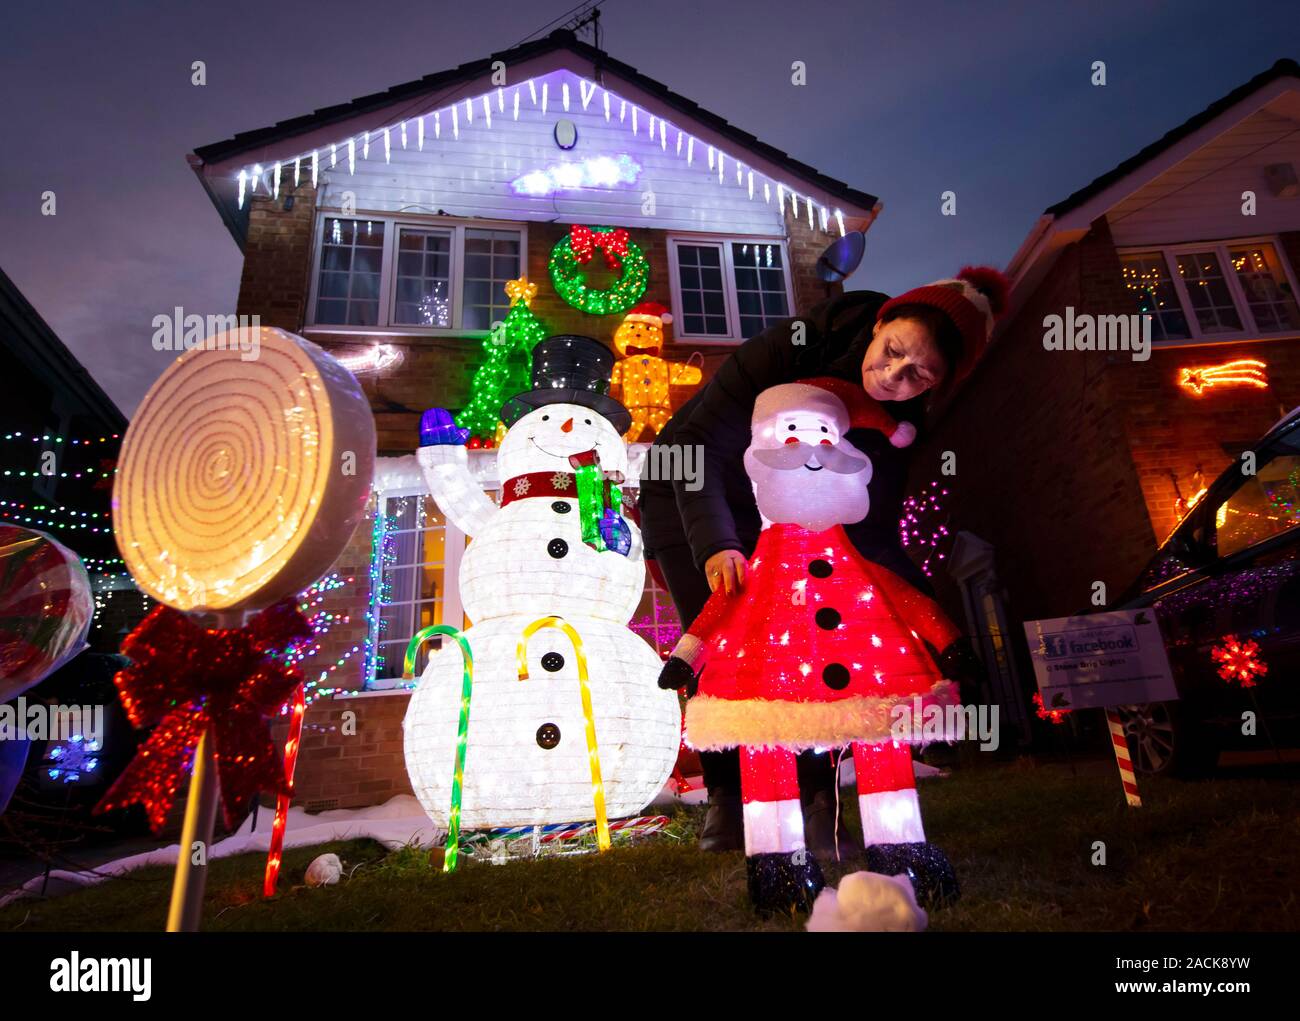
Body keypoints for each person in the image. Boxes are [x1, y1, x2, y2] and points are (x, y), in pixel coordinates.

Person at [638, 265, 1008, 855]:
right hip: (691, 488)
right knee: (724, 645)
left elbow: (872, 531)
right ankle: (727, 801)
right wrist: (717, 544)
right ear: (882, 321)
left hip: (793, 515)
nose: (893, 377)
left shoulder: (898, 429)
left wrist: (924, 617)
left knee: (809, 645)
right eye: (892, 352)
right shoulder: (794, 344)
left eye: (919, 376)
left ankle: (817, 801)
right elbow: (696, 444)